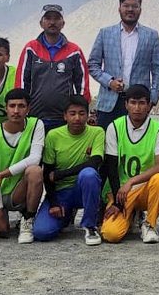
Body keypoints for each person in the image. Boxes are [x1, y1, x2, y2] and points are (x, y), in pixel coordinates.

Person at [0, 88, 45, 243]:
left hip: (17, 191)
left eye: (21, 106)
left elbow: (35, 158)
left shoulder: (37, 125)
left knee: (35, 171)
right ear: (6, 108)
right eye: (12, 106)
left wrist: (3, 174)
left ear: (28, 109)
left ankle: (27, 220)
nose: (16, 110)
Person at [101, 84, 159, 243]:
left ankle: (150, 224)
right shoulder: (115, 127)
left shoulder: (158, 129)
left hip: (144, 189)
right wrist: (118, 203)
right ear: (126, 105)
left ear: (149, 105)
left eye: (141, 103)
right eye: (133, 102)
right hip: (120, 191)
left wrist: (132, 181)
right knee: (110, 234)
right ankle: (132, 214)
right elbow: (111, 167)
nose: (137, 108)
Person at [33, 95, 105, 245]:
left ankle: (90, 225)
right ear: (65, 116)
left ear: (88, 114)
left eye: (81, 113)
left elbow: (95, 162)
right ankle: (65, 215)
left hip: (82, 188)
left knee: (89, 174)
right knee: (42, 232)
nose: (77, 118)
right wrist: (53, 203)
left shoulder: (97, 132)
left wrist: (61, 174)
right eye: (72, 113)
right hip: (61, 192)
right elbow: (48, 173)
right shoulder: (53, 135)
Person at [88, 0, 159, 129]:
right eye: (126, 5)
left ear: (140, 9)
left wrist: (152, 99)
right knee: (107, 145)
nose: (130, 9)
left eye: (134, 6)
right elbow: (93, 65)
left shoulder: (151, 36)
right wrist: (109, 81)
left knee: (137, 147)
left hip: (138, 104)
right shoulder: (105, 33)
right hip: (109, 102)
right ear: (119, 8)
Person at [16, 4, 90, 132]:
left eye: (56, 18)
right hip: (34, 117)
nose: (52, 22)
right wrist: (23, 110)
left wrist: (78, 113)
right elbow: (21, 83)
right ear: (41, 23)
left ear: (63, 23)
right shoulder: (31, 49)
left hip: (64, 119)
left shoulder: (74, 51)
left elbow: (82, 86)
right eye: (48, 18)